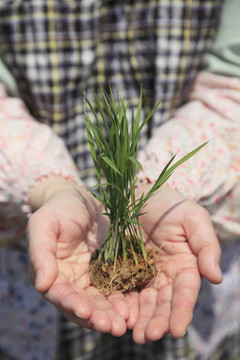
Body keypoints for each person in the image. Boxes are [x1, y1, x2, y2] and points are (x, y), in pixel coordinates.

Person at [0, 0, 239, 359]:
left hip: (181, 246)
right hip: (32, 267)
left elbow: (232, 91)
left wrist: (167, 185)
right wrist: (50, 188)